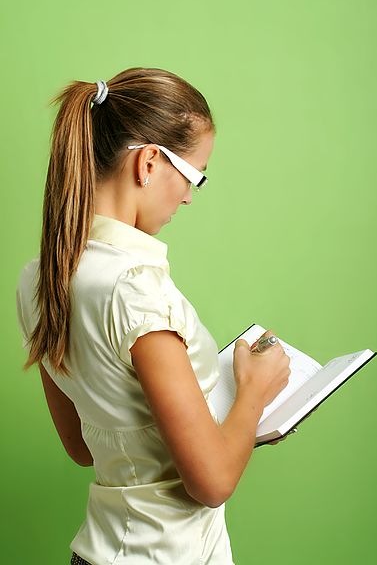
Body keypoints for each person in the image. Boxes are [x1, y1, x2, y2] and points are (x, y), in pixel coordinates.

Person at [15, 67, 291, 565]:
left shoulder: (38, 279)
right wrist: (254, 390)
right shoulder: (136, 290)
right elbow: (211, 482)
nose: (188, 196)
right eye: (194, 177)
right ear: (147, 163)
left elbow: (83, 446)